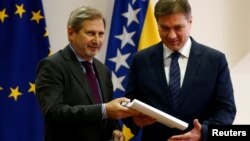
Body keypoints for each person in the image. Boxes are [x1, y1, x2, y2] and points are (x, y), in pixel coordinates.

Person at [122, 0, 236, 141]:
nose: (172, 35)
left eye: (178, 28)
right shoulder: (141, 60)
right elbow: (129, 105)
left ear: (190, 22)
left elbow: (226, 109)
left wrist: (204, 133)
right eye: (164, 28)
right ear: (156, 24)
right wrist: (134, 120)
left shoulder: (215, 60)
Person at [35, 6, 137, 141]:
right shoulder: (52, 66)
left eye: (101, 34)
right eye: (90, 33)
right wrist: (104, 110)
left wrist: (115, 130)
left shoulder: (103, 70)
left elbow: (106, 114)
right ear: (71, 33)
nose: (97, 40)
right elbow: (54, 113)